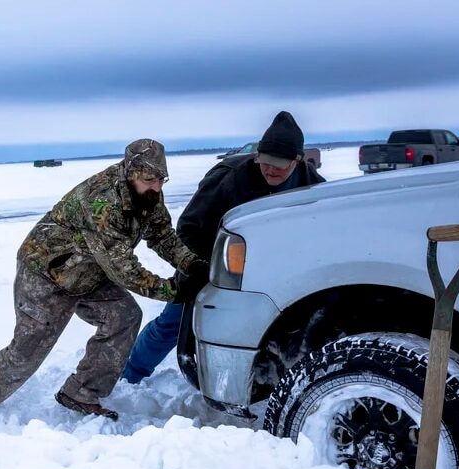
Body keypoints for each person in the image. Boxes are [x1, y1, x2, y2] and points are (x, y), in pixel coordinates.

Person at [0, 139, 207, 426]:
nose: (157, 187)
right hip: (46, 272)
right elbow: (124, 269)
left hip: (90, 270)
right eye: (149, 180)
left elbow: (162, 236)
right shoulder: (102, 201)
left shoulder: (148, 194)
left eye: (161, 179)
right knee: (29, 348)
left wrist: (191, 263)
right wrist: (173, 291)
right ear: (130, 171)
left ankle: (83, 392)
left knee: (124, 316)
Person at [121, 111, 326, 383]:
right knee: (172, 324)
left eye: (279, 164)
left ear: (297, 161)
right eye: (266, 161)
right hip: (209, 263)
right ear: (257, 156)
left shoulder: (311, 187)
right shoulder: (229, 179)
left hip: (271, 274)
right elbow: (187, 229)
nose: (271, 169)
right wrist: (207, 267)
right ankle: (129, 375)